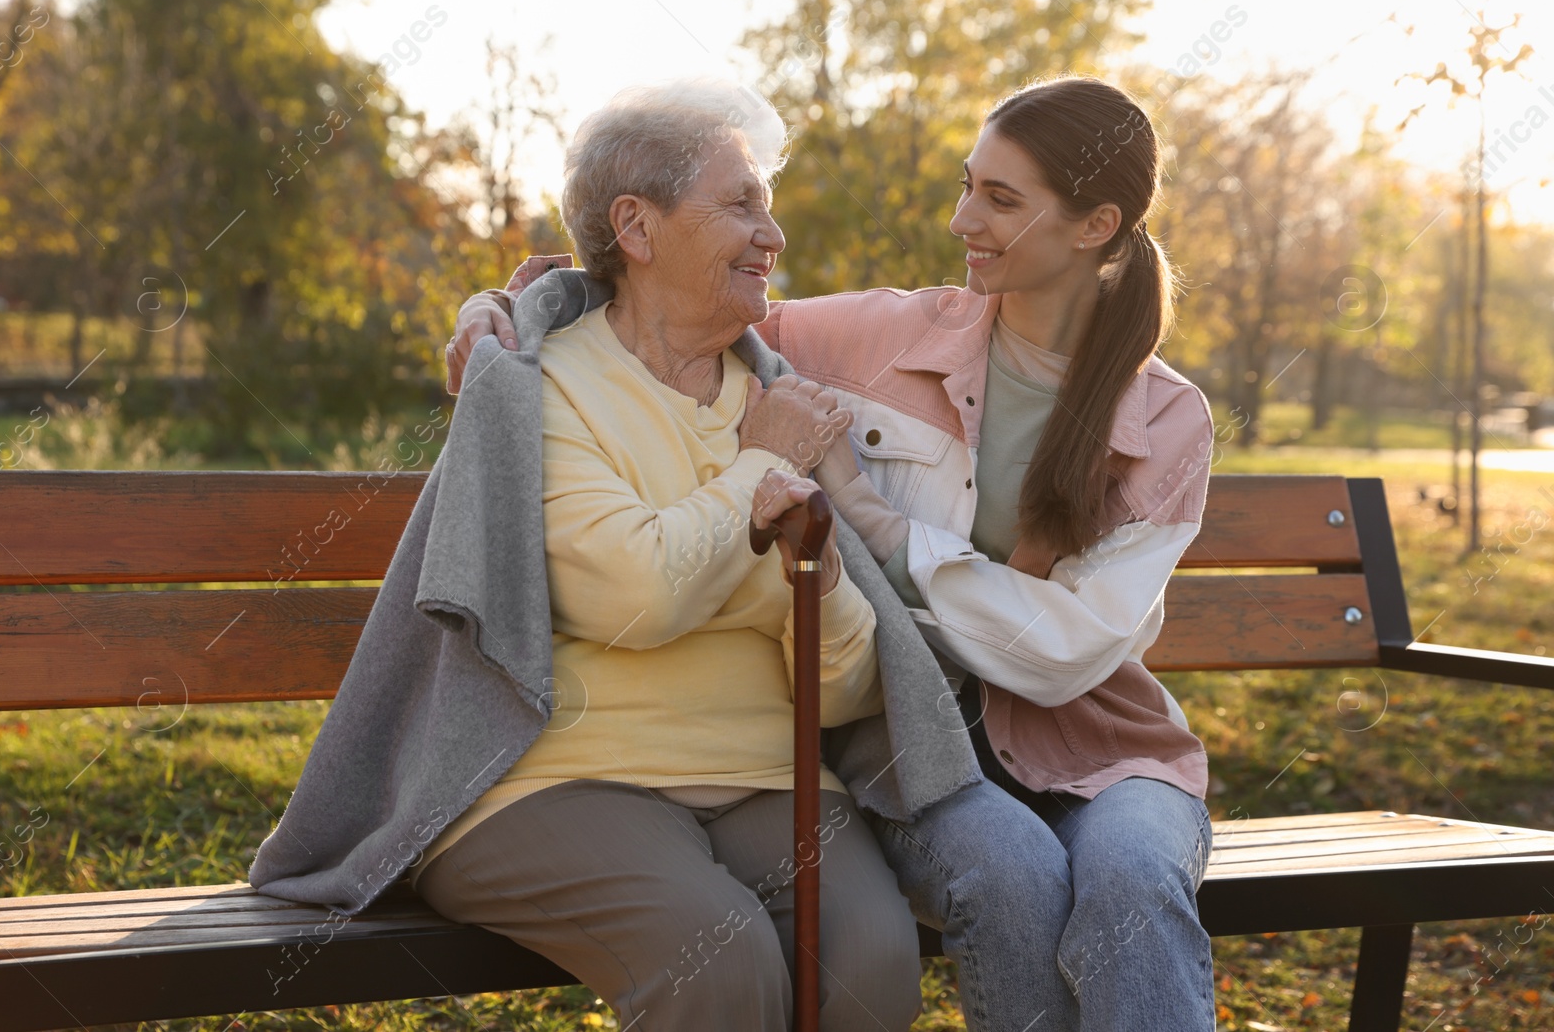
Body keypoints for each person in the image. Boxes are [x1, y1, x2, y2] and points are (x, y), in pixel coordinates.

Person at [453, 75, 1216, 1031]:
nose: (961, 217)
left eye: (1001, 200)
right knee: (1013, 876)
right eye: (967, 183)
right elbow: (664, 290)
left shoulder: (1166, 418)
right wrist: (504, 306)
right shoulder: (880, 338)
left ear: (1097, 224)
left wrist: (881, 529)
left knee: (1137, 881)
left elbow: (1064, 652)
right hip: (916, 742)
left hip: (1105, 743)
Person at [257, 80, 951, 1032]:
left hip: (766, 774)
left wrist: (818, 583)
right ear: (637, 224)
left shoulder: (779, 387)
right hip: (558, 779)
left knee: (871, 962)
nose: (773, 233)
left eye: (768, 205)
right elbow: (638, 596)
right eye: (741, 203)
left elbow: (837, 692)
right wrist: (755, 471)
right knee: (721, 964)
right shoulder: (545, 383)